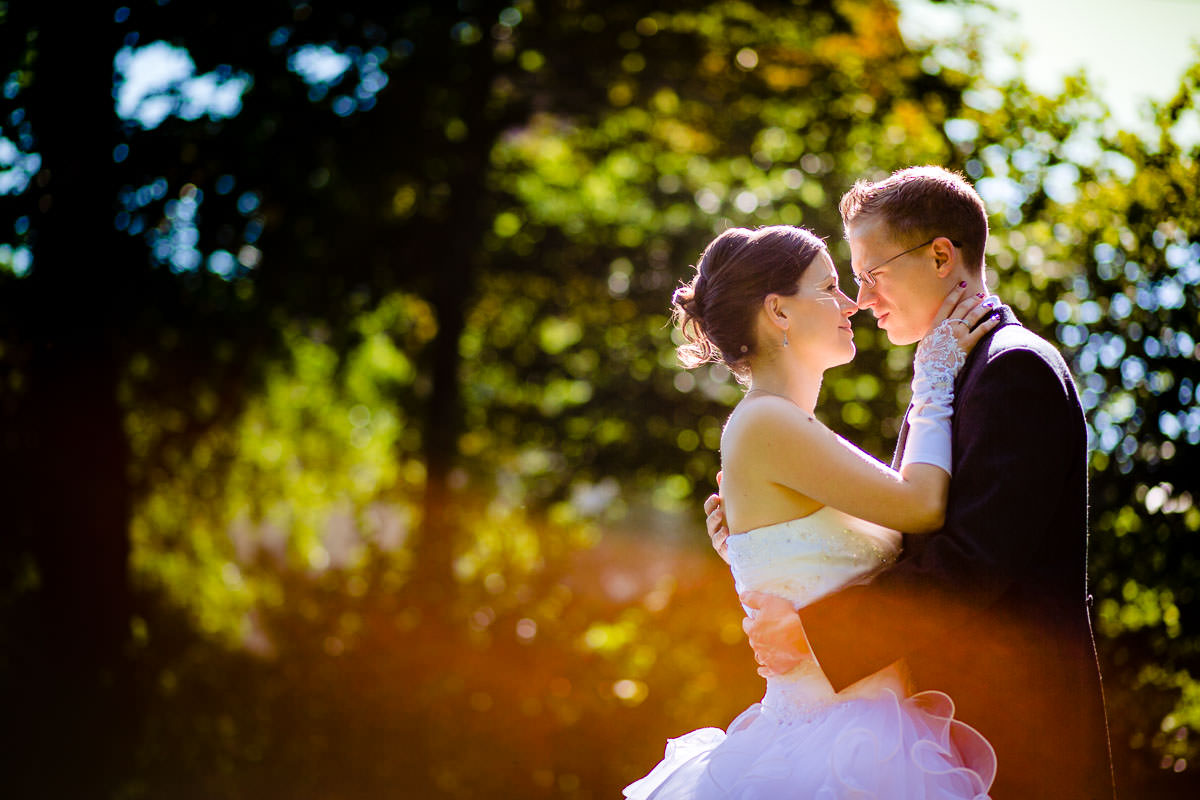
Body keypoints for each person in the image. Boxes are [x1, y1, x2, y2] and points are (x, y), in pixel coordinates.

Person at [706, 167, 1115, 798]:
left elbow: (970, 562)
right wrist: (770, 539)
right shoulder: (957, 372)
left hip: (1016, 728)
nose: (862, 300)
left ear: (941, 256)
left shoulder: (1012, 370)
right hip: (935, 733)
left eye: (869, 275)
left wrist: (817, 631)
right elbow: (905, 530)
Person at [624, 222, 1001, 799]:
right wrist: (934, 377)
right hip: (835, 747)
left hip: (862, 725)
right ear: (779, 312)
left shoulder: (781, 425)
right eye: (828, 288)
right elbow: (921, 506)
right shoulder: (766, 421)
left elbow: (826, 560)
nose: (851, 303)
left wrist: (751, 549)